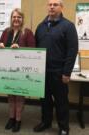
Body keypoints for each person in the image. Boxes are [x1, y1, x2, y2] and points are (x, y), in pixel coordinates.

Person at [33, 0, 78, 135]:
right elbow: (36, 49)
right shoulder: (40, 26)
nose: (52, 7)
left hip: (59, 72)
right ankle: (46, 122)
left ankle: (64, 127)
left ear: (61, 7)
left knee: (61, 102)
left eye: (55, 4)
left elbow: (72, 50)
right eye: (50, 4)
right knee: (45, 100)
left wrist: (66, 72)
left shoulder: (68, 26)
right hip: (43, 72)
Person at [0, 8, 35, 132]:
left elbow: (33, 50)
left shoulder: (27, 32)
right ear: (11, 18)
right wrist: (0, 45)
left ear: (22, 19)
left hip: (21, 70)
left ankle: (18, 120)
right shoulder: (6, 31)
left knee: (19, 96)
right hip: (8, 69)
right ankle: (11, 118)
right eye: (14, 17)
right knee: (10, 95)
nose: (16, 19)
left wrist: (20, 48)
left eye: (19, 17)